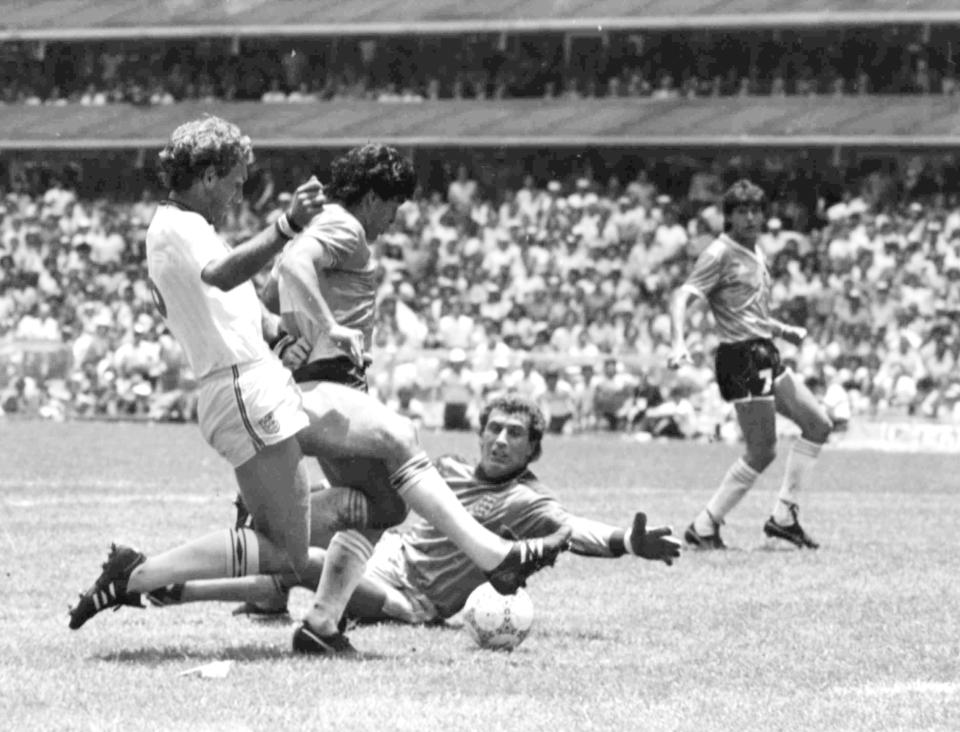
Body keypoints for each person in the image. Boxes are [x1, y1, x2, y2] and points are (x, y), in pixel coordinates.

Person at [68, 119, 571, 657]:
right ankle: (139, 574)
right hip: (246, 388)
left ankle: (311, 618)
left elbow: (235, 302)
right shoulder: (182, 227)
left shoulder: (177, 229)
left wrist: (280, 335)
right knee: (323, 514)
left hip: (243, 386)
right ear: (209, 175)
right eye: (236, 181)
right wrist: (285, 229)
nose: (240, 194)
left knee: (351, 514)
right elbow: (224, 275)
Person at [143, 395, 682, 625]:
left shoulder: (527, 499)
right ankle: (180, 592)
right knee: (307, 551)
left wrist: (627, 542)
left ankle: (180, 582)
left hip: (410, 600)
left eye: (514, 435)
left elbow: (573, 530)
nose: (499, 441)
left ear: (531, 449)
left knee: (299, 559)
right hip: (387, 562)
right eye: (493, 428)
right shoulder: (444, 470)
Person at [668, 179, 832, 550]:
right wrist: (678, 341)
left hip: (763, 350)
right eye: (742, 212)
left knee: (818, 424)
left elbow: (746, 311)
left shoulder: (754, 252)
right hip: (741, 357)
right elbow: (682, 297)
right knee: (762, 450)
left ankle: (784, 518)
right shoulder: (718, 254)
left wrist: (782, 329)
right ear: (729, 217)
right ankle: (705, 525)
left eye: (756, 210)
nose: (751, 217)